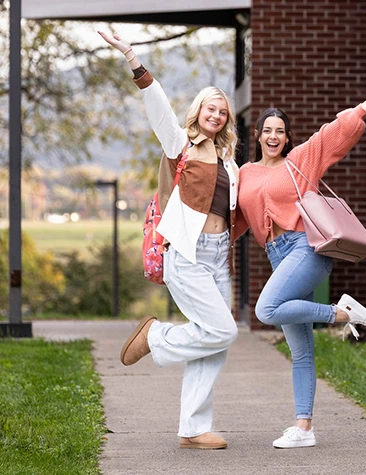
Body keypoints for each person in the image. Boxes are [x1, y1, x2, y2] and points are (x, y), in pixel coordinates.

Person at [98, 31, 239, 450]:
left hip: (219, 257)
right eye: (211, 108)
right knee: (223, 330)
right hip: (188, 255)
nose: (216, 115)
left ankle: (193, 428)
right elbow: (157, 105)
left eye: (223, 111)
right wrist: (133, 58)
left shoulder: (230, 160)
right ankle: (156, 337)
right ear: (199, 111)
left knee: (212, 343)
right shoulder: (181, 144)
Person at [234, 85, 366, 449]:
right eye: (267, 130)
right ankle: (304, 429)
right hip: (277, 256)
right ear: (257, 136)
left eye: (280, 131)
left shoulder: (300, 159)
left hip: (307, 249)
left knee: (266, 309)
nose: (273, 136)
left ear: (288, 138)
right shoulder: (245, 173)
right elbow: (233, 219)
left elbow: (333, 134)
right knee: (301, 352)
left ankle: (342, 313)